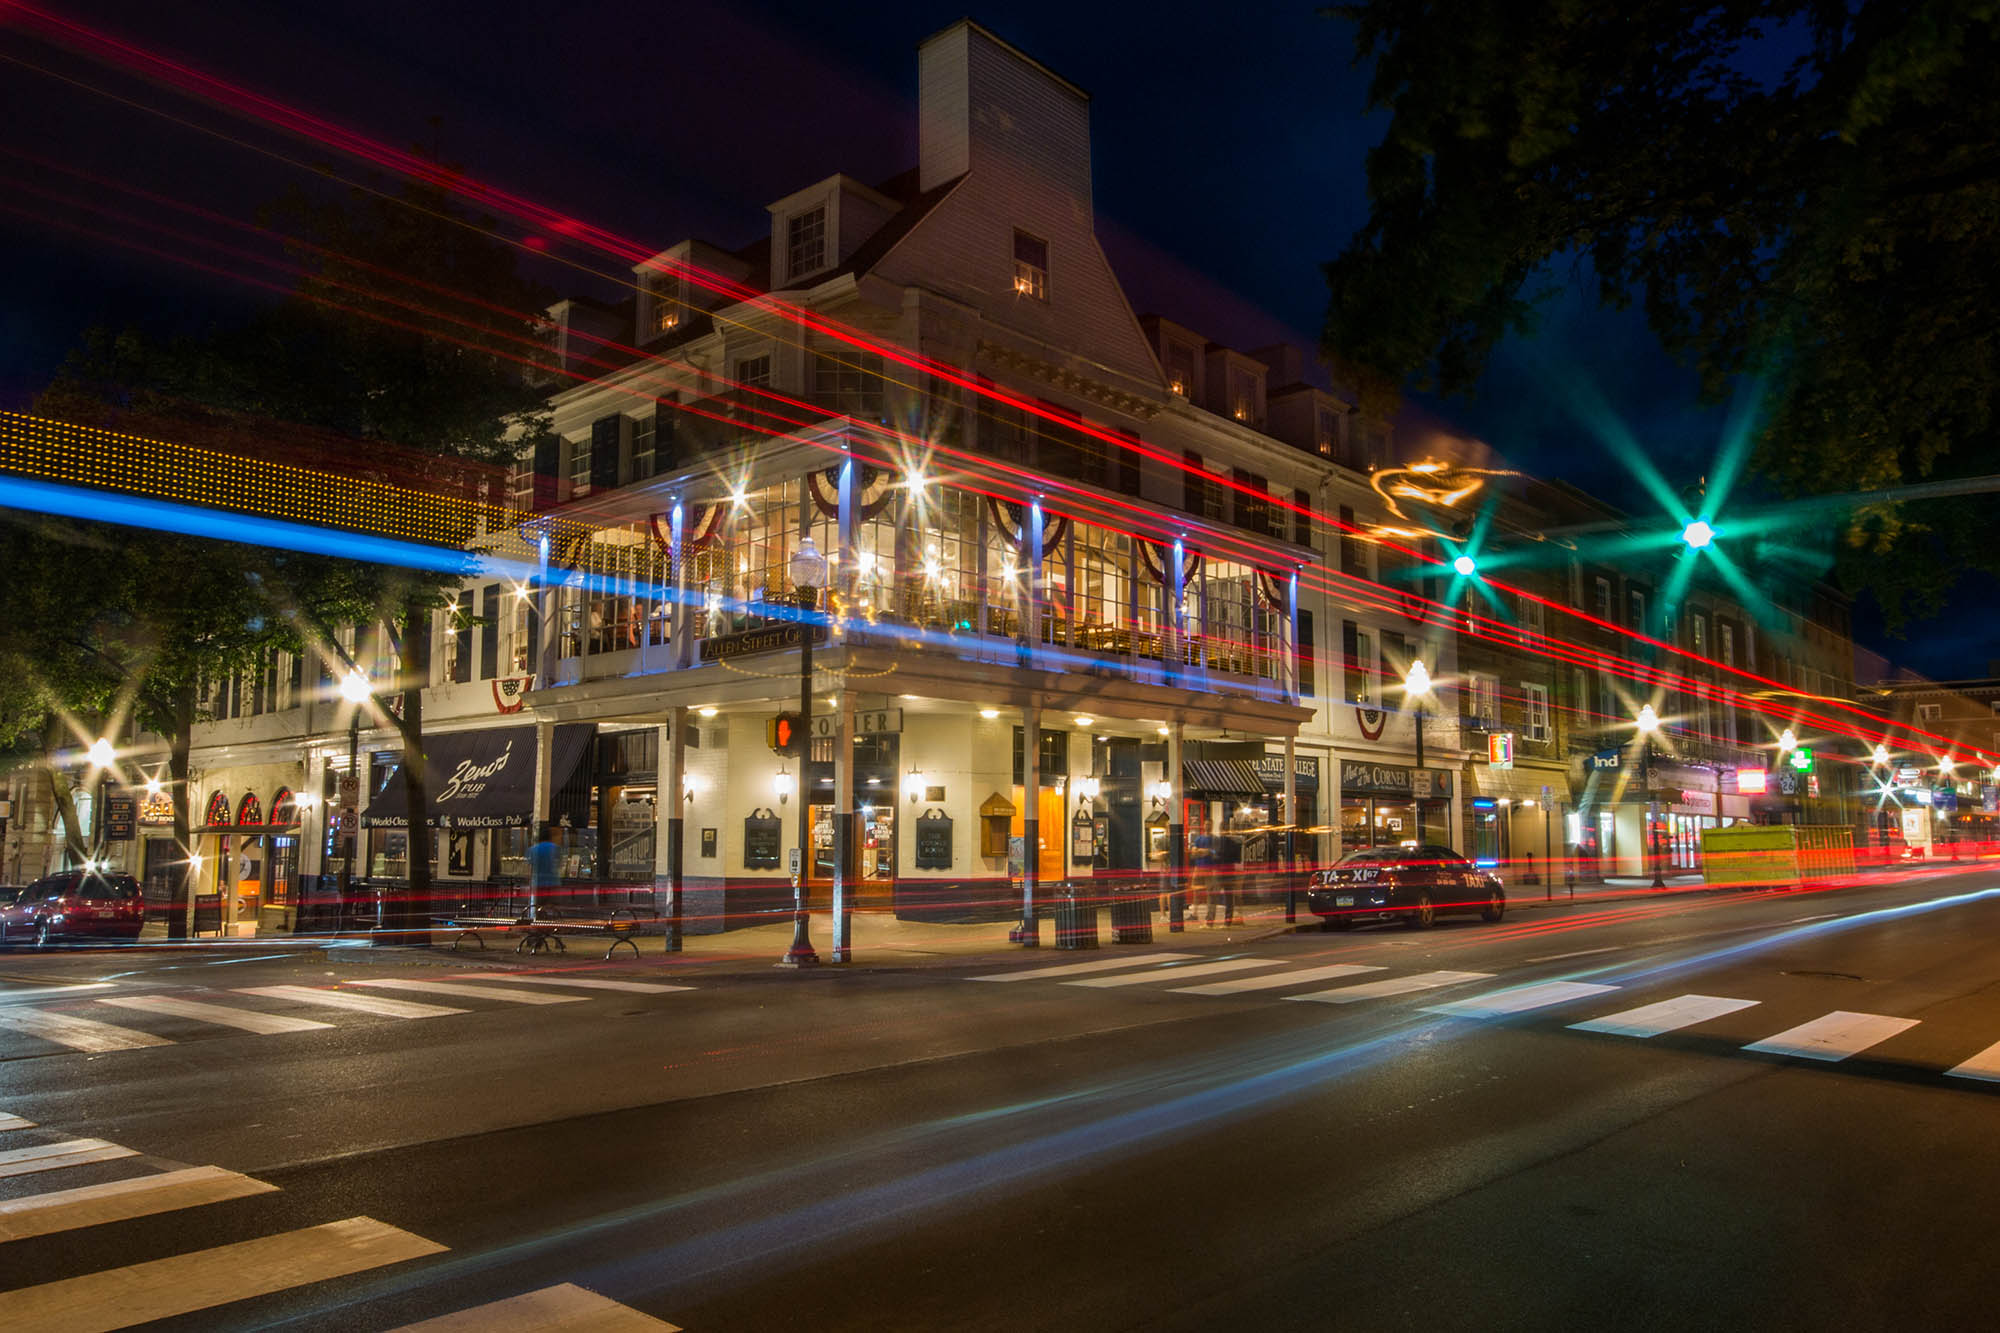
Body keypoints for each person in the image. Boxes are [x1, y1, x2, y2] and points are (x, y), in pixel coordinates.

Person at [526, 823, 561, 921]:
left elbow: (530, 868)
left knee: (537, 905)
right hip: (553, 881)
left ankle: (539, 922)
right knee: (552, 905)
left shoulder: (532, 850)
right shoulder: (555, 848)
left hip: (538, 882)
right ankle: (551, 923)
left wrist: (529, 882)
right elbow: (558, 864)